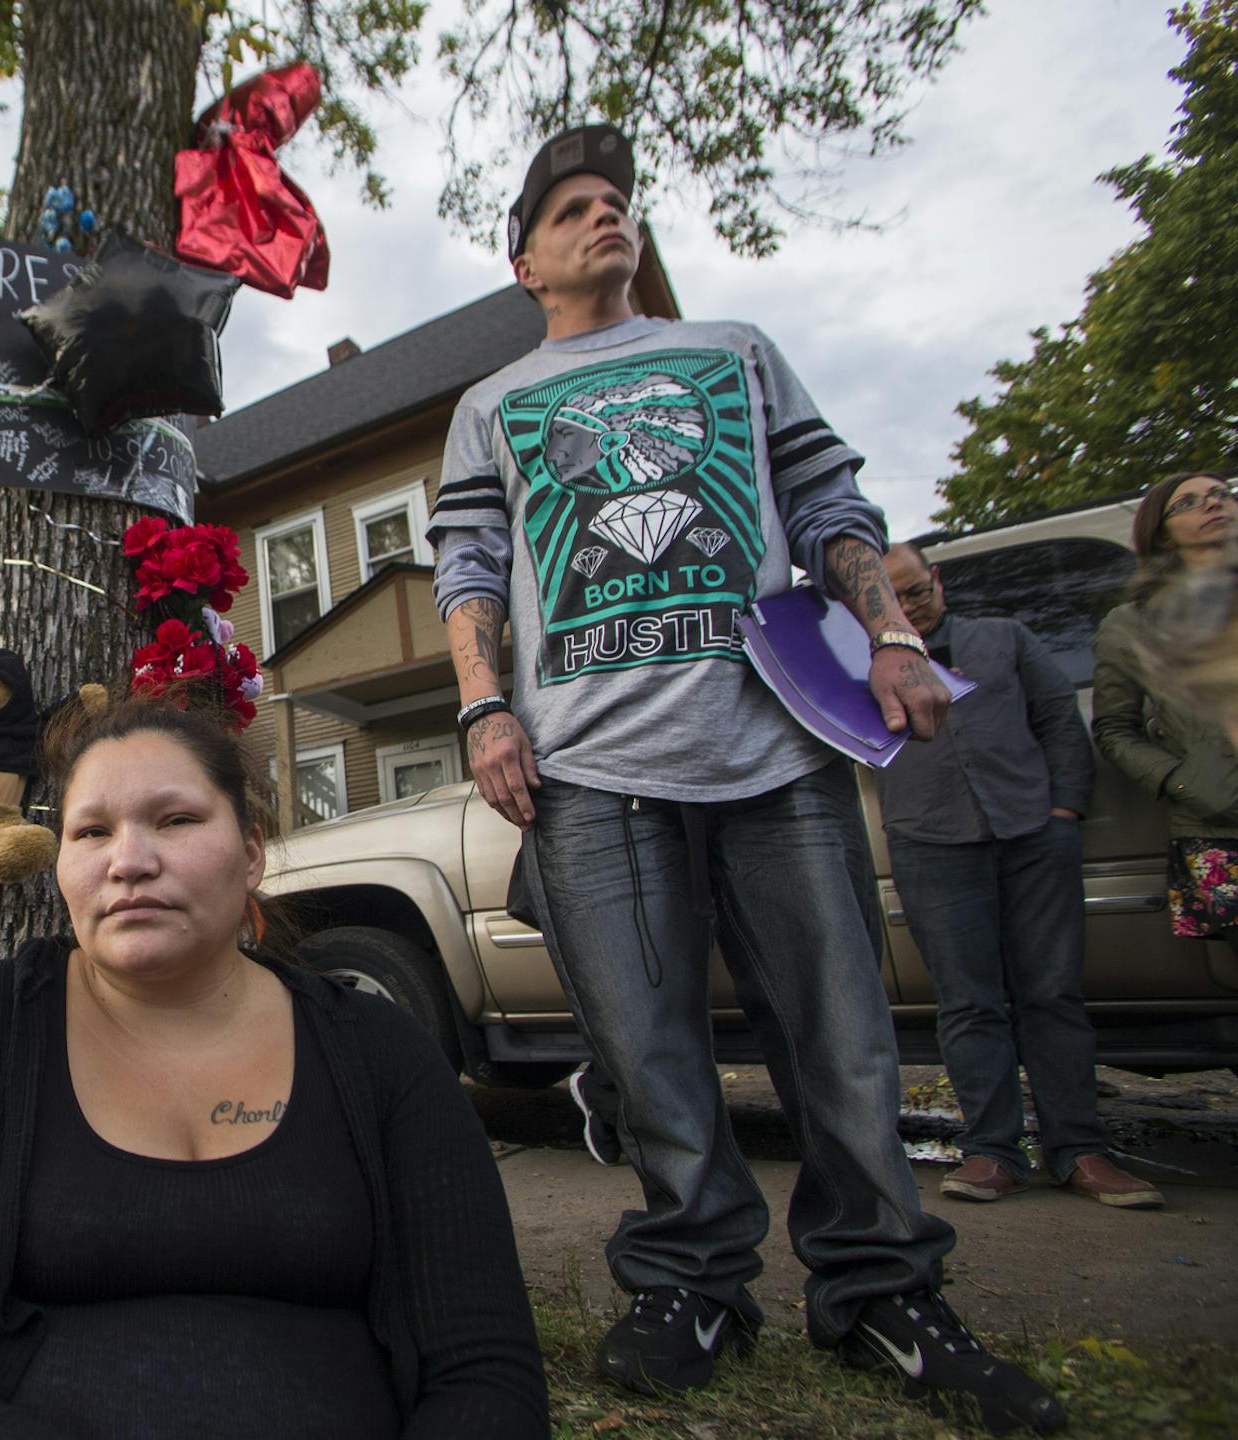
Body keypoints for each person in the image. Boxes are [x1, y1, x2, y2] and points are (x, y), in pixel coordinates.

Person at [429, 122, 1062, 1433]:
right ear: (526, 262)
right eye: (575, 209)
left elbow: (833, 506)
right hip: (590, 769)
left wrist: (890, 633)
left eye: (618, 202)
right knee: (648, 1056)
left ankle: (881, 1289)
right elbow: (470, 571)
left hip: (772, 749)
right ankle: (694, 1283)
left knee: (840, 1043)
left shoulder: (733, 350)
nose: (608, 217)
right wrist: (485, 707)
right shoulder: (491, 403)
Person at [0, 690, 549, 1438]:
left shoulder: (381, 1051)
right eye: (90, 832)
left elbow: (485, 1372)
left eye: (174, 819)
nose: (127, 861)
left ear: (249, 857)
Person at [877, 543, 1162, 1209]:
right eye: (894, 600)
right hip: (928, 842)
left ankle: (1081, 1151)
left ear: (936, 582)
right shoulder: (862, 670)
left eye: (917, 591)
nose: (911, 607)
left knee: (1053, 995)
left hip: (1033, 835)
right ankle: (991, 1153)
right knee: (968, 1002)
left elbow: (1063, 725)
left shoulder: (1004, 638)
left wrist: (1064, 814)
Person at [1093, 472, 1238, 946]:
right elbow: (1114, 728)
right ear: (1162, 533)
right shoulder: (1132, 623)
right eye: (1191, 503)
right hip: (1220, 821)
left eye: (1220, 495)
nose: (1213, 505)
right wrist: (1183, 780)